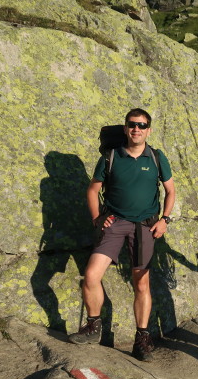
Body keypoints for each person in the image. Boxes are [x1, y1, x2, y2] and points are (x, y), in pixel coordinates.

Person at [69, 108, 176, 362]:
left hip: (145, 227)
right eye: (132, 124)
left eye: (142, 125)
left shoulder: (157, 157)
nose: (136, 129)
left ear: (148, 130)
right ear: (126, 128)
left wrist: (165, 220)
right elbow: (93, 190)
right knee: (92, 276)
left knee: (141, 283)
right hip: (115, 223)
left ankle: (142, 338)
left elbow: (170, 191)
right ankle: (94, 327)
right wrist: (97, 218)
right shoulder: (112, 156)